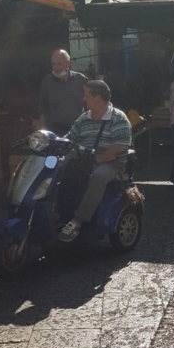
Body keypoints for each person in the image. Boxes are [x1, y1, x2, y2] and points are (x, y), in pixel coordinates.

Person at [58, 80, 132, 242]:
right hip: (83, 158)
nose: (83, 99)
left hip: (111, 163)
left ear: (98, 98)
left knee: (97, 176)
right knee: (56, 166)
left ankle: (77, 222)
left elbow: (118, 147)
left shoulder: (118, 118)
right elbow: (69, 139)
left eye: (86, 96)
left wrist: (97, 160)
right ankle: (54, 210)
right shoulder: (84, 118)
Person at [38, 50, 87, 137]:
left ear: (68, 64)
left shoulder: (81, 79)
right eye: (53, 64)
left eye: (59, 64)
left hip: (78, 129)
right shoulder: (47, 82)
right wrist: (43, 131)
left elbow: (90, 103)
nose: (55, 67)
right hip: (55, 130)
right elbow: (42, 108)